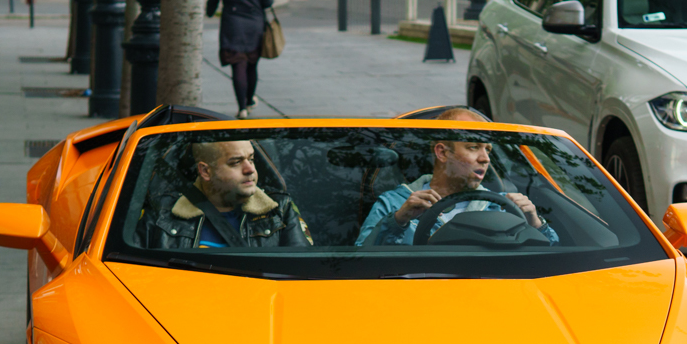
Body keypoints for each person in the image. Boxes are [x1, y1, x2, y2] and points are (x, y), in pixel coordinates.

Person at [355, 108, 559, 246]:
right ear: (443, 153)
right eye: (473, 147)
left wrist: (535, 223)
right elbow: (360, 259)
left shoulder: (503, 206)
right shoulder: (394, 204)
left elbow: (552, 261)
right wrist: (398, 220)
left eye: (488, 150)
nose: (485, 159)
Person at [141, 140, 313, 250]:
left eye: (251, 159)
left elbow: (303, 273)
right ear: (205, 171)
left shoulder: (279, 211)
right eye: (236, 162)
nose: (250, 169)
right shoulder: (161, 213)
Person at [207, 0, 273, 120]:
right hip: (254, 26)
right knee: (252, 65)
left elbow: (211, 4)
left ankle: (242, 107)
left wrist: (211, 10)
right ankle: (250, 100)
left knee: (238, 66)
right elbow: (268, 1)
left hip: (232, 26)